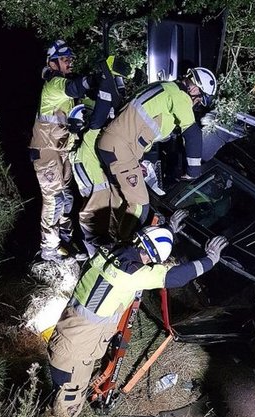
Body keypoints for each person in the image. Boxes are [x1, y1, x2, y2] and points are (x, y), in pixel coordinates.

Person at [48, 209, 228, 417]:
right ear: (151, 260)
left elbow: (146, 249)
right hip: (74, 354)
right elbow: (175, 276)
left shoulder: (110, 250)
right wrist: (210, 260)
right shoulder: (130, 275)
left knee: (59, 393)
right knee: (66, 409)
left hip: (67, 338)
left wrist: (167, 230)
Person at [97, 67, 217, 240]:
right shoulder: (180, 96)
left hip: (115, 145)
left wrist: (137, 159)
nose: (196, 105)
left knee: (121, 200)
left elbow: (137, 124)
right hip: (120, 147)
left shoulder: (163, 86)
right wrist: (193, 172)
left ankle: (110, 238)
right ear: (194, 89)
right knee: (140, 206)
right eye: (199, 100)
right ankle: (123, 247)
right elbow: (192, 133)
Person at [29, 39, 93, 262]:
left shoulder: (64, 87)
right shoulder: (54, 85)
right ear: (53, 63)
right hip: (46, 152)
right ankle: (49, 248)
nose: (70, 63)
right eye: (65, 60)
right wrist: (94, 79)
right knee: (54, 199)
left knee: (66, 198)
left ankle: (65, 239)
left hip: (61, 152)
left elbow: (70, 118)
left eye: (70, 59)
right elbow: (76, 87)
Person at [69, 56, 130, 257]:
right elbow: (101, 116)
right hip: (97, 220)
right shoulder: (88, 141)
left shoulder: (78, 149)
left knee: (98, 254)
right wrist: (106, 78)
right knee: (103, 258)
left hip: (92, 219)